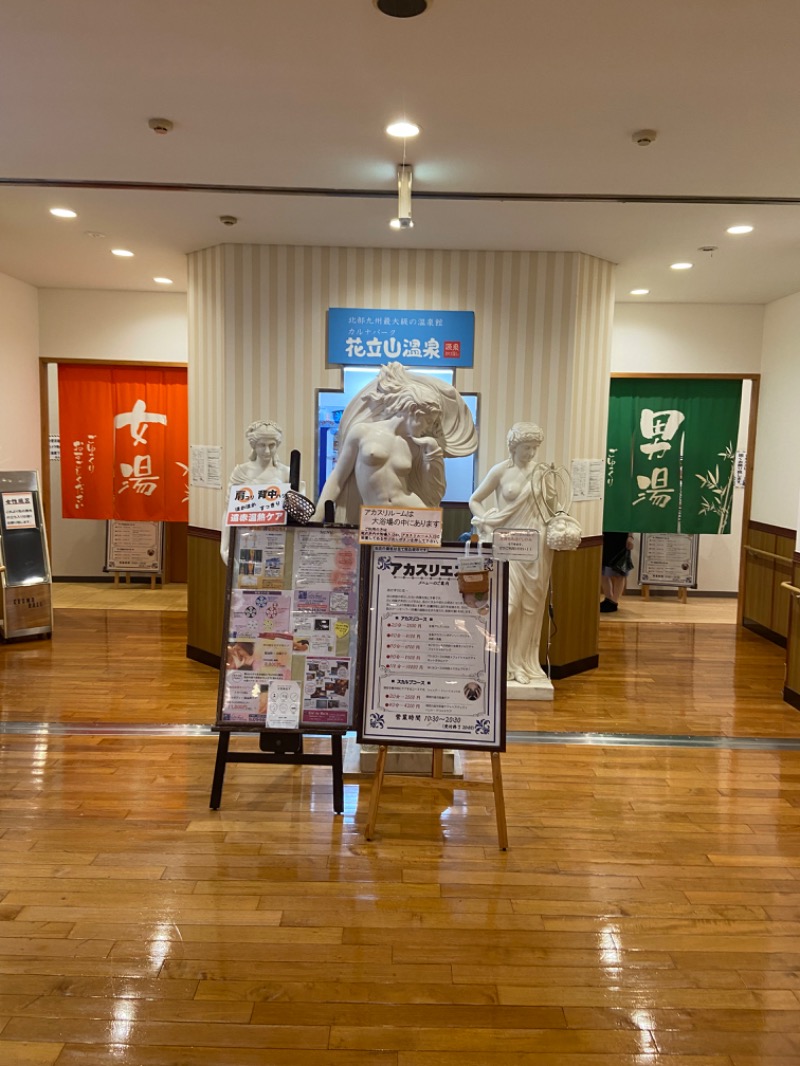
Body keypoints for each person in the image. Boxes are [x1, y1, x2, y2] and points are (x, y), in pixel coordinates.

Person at [313, 363, 477, 523]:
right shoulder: (362, 432)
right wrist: (317, 516)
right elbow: (337, 478)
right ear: (413, 411)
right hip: (375, 520)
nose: (428, 428)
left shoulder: (416, 445)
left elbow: (432, 491)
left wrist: (433, 453)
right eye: (427, 421)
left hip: (409, 516)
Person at [469, 422, 565, 688]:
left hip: (536, 546)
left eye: (535, 448)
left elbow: (554, 508)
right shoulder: (500, 471)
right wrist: (485, 518)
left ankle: (523, 664)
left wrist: (554, 496)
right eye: (526, 448)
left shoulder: (543, 473)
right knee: (508, 606)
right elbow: (474, 499)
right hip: (507, 545)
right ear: (514, 446)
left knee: (531, 608)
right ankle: (498, 661)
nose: (531, 453)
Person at [221, 420, 290, 563]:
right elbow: (228, 511)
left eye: (272, 445)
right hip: (246, 539)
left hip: (276, 542)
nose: (267, 451)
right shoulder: (241, 472)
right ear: (253, 445)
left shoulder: (286, 473)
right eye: (261, 445)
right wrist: (224, 546)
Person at [600, 531, 634, 613]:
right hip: (606, 537)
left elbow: (631, 521)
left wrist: (630, 537)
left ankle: (614, 602)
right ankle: (608, 599)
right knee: (603, 572)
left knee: (620, 572)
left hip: (622, 538)